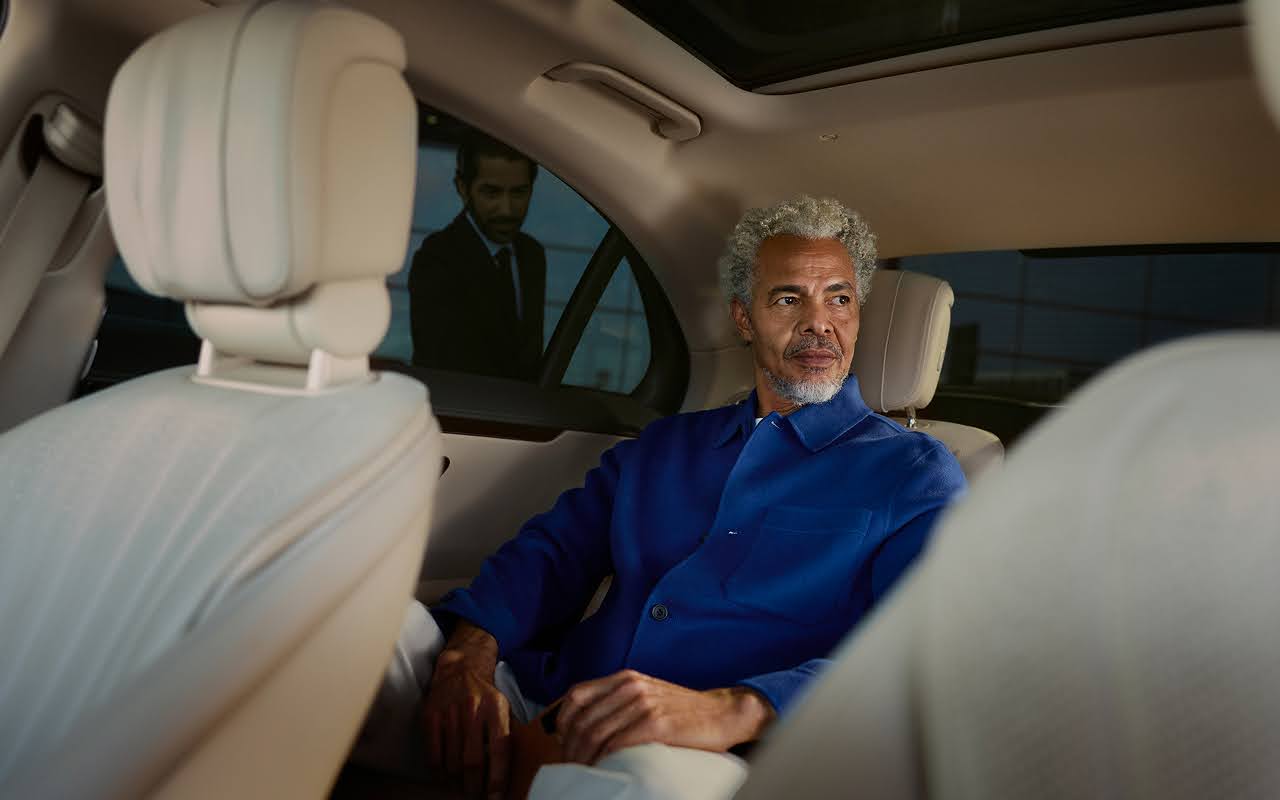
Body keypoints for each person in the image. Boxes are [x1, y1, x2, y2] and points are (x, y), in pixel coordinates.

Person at [356, 196, 966, 797]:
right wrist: (471, 654)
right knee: (366, 637)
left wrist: (736, 709)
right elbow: (553, 553)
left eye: (839, 298)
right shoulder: (665, 445)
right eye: (788, 298)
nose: (819, 322)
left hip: (718, 750)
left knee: (644, 785)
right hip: (555, 696)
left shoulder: (914, 474)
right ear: (744, 318)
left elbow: (915, 652)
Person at [408, 131, 546, 380]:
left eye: (519, 193)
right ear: (463, 188)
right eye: (491, 193)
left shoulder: (532, 255)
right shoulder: (437, 260)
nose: (507, 209)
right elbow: (444, 367)